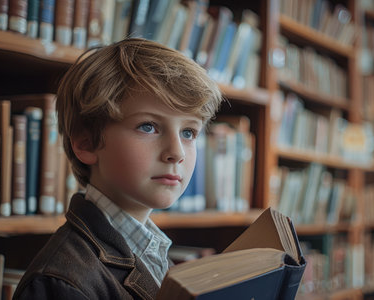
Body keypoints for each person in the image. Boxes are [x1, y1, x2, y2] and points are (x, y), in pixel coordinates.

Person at [13, 38, 223, 300]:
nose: (177, 153)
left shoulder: (150, 249)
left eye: (189, 132)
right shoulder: (60, 282)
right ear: (86, 143)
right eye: (148, 126)